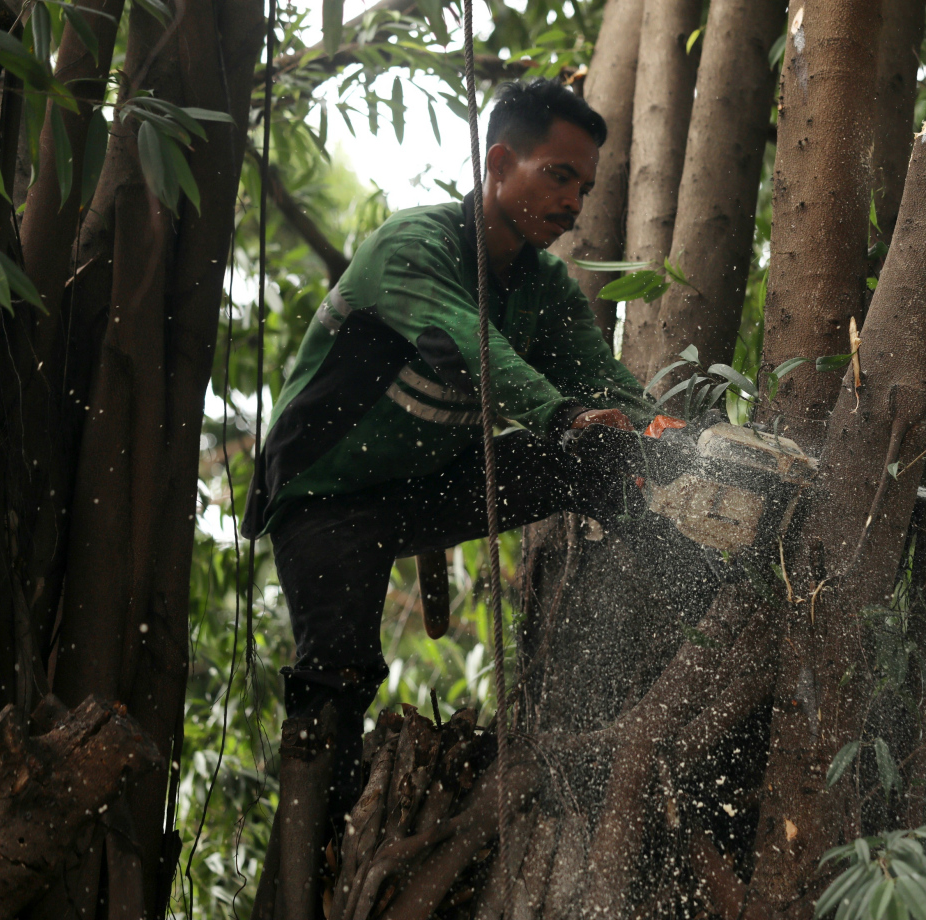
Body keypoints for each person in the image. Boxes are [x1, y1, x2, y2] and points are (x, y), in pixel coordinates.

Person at [241, 79, 666, 833]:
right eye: (558, 176)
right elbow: (472, 351)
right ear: (500, 163)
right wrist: (566, 414)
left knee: (609, 464)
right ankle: (313, 857)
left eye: (584, 187)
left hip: (426, 489)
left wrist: (666, 436)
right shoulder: (414, 247)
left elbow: (606, 386)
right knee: (335, 682)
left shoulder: (546, 291)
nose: (573, 203)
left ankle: (640, 656)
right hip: (325, 498)